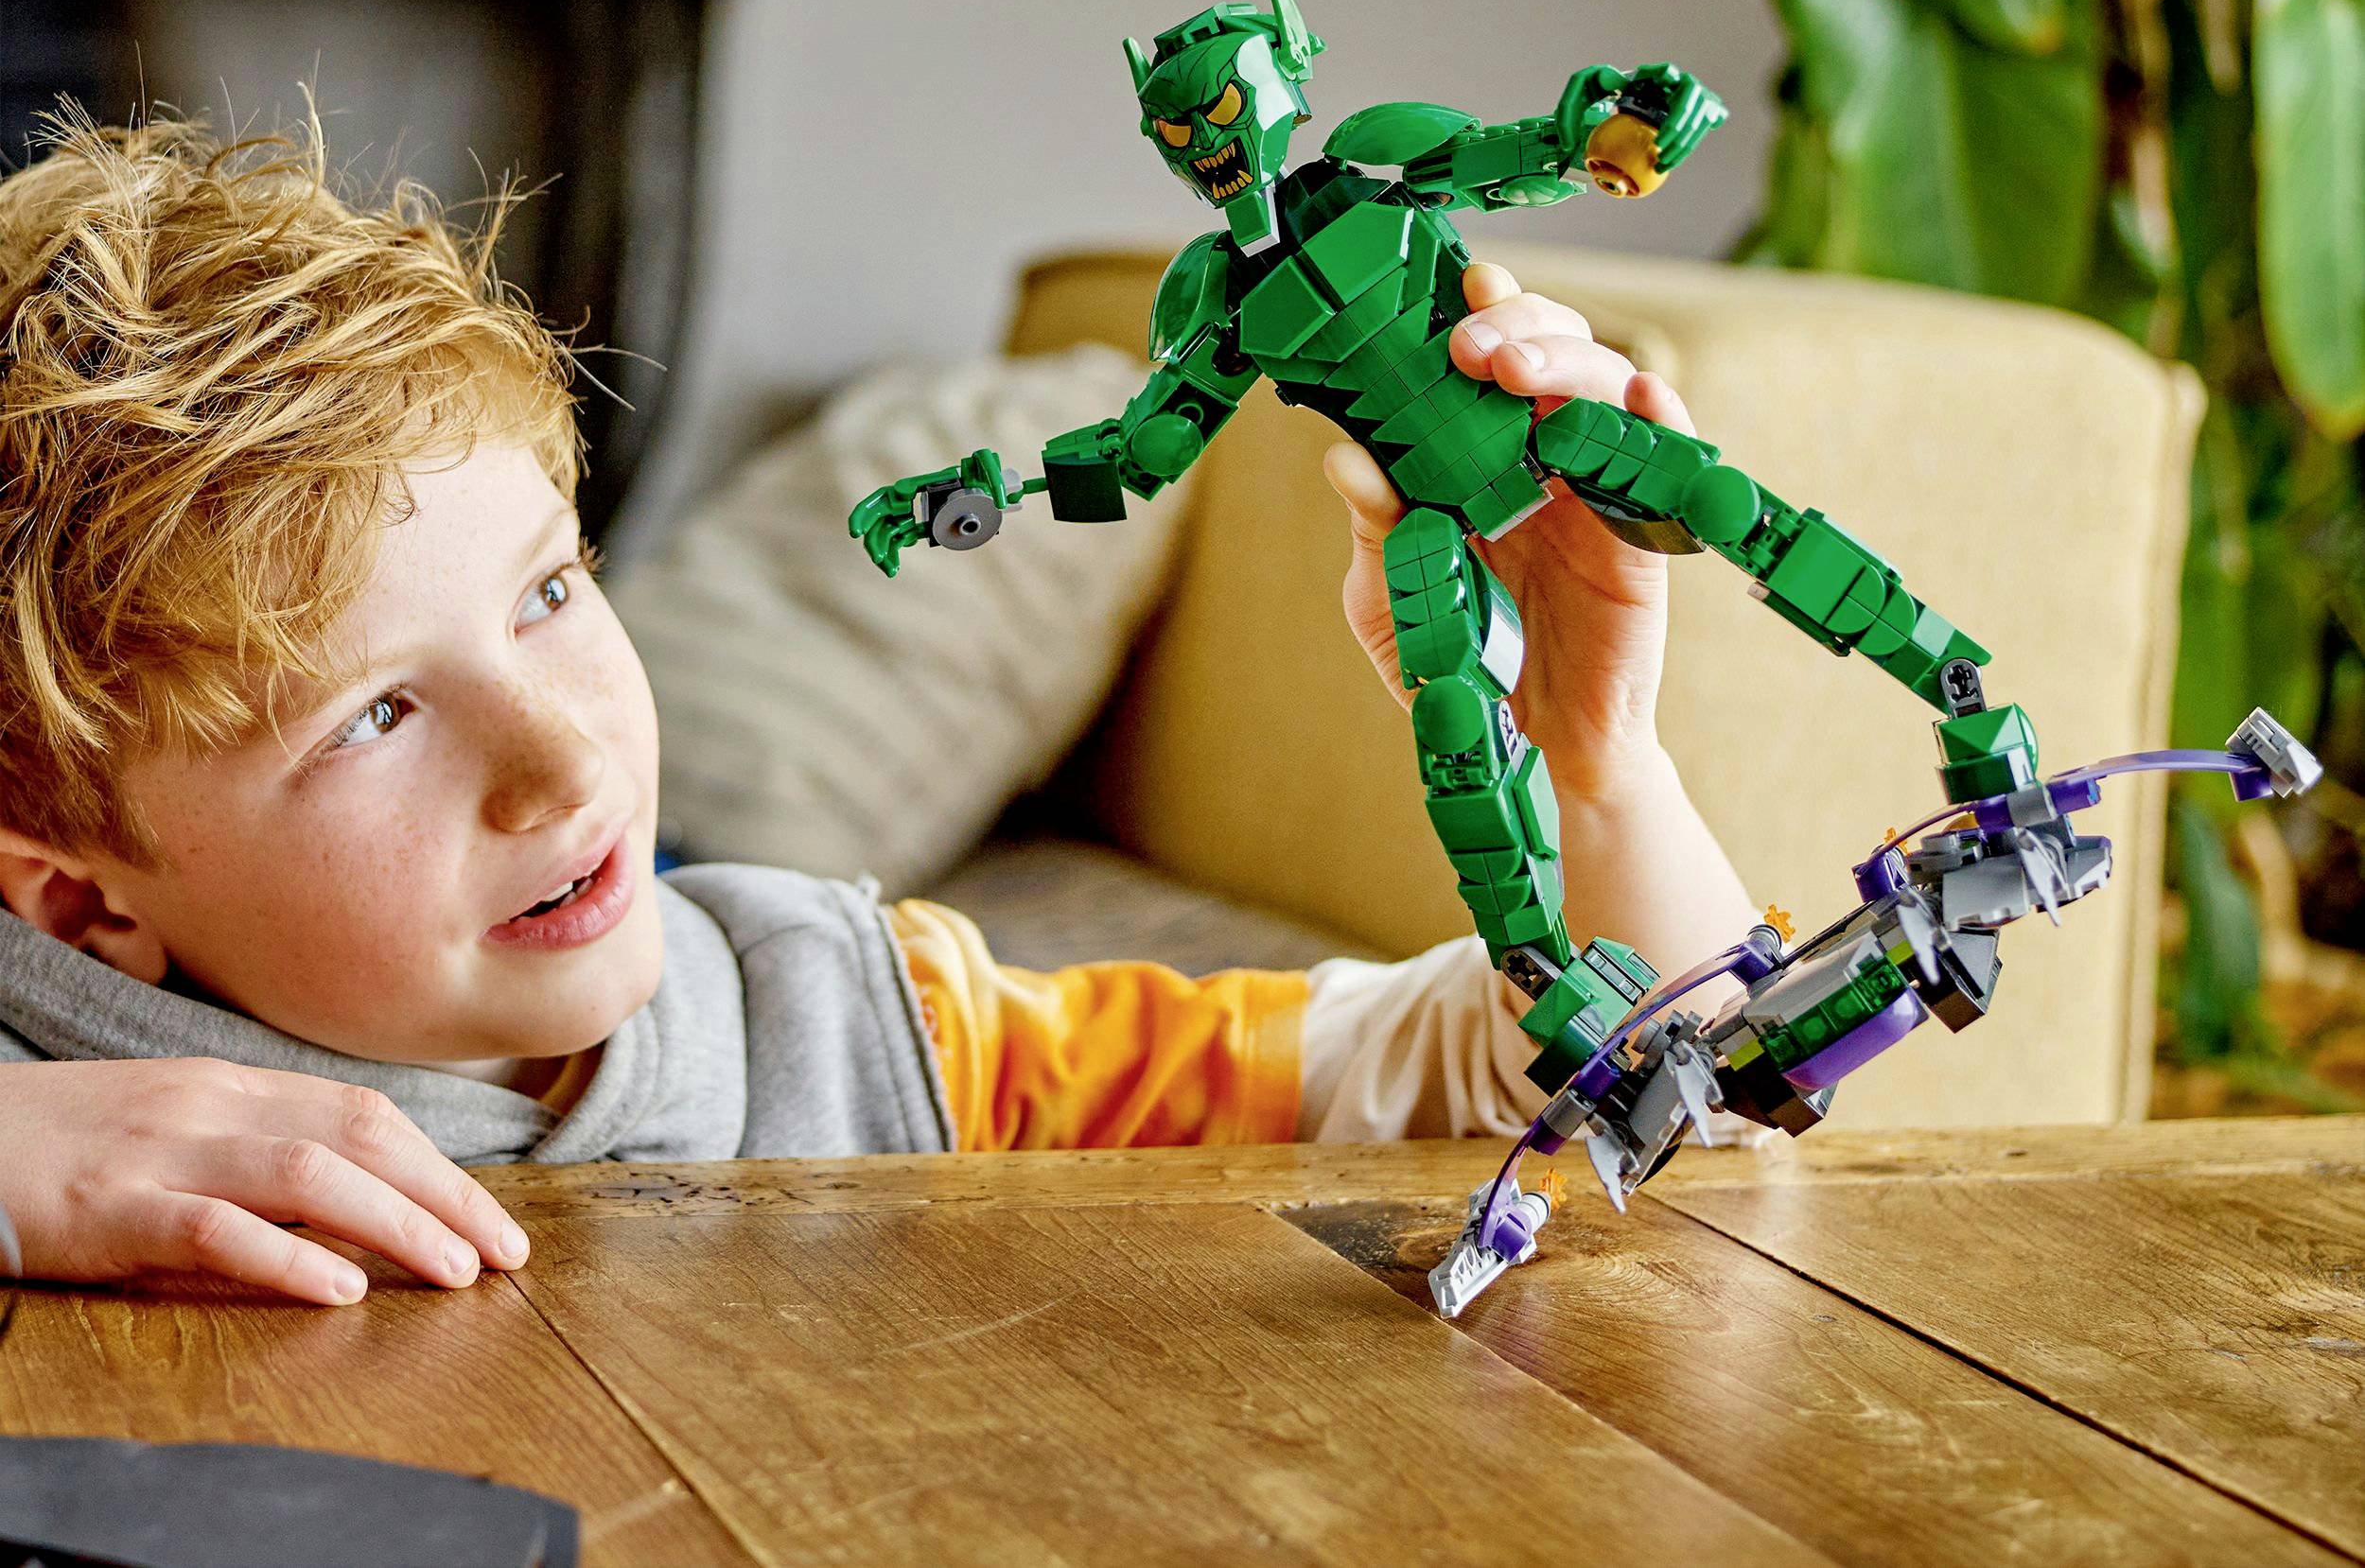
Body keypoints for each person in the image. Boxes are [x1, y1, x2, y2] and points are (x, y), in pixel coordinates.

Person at [0, 113, 1753, 1305]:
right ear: (80, 902)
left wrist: (1591, 777)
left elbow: (1604, 1101)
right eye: (374, 716)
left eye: (549, 592)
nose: (564, 758)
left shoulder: (860, 1028)